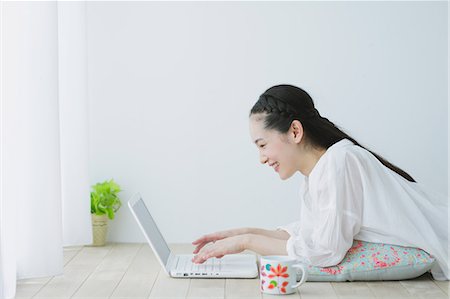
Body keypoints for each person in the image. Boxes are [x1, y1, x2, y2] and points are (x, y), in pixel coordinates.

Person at [191, 84, 449, 280]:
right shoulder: (319, 172)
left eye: (263, 145)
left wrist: (246, 242)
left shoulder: (340, 162)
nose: (261, 158)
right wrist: (239, 234)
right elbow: (309, 234)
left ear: (295, 131)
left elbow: (326, 251)